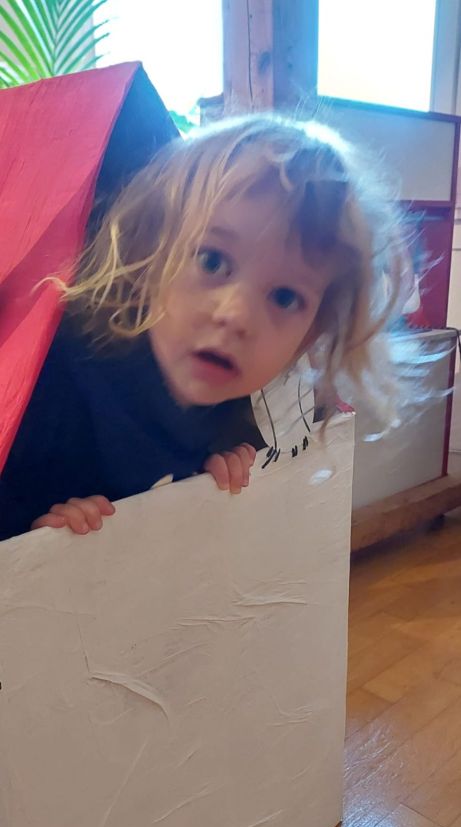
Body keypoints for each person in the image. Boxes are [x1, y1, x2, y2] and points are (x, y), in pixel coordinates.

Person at [0, 114, 406, 541]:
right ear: (150, 254)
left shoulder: (224, 387)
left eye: (285, 297)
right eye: (212, 261)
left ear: (308, 336)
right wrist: (30, 526)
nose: (237, 315)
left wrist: (206, 467)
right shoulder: (61, 377)